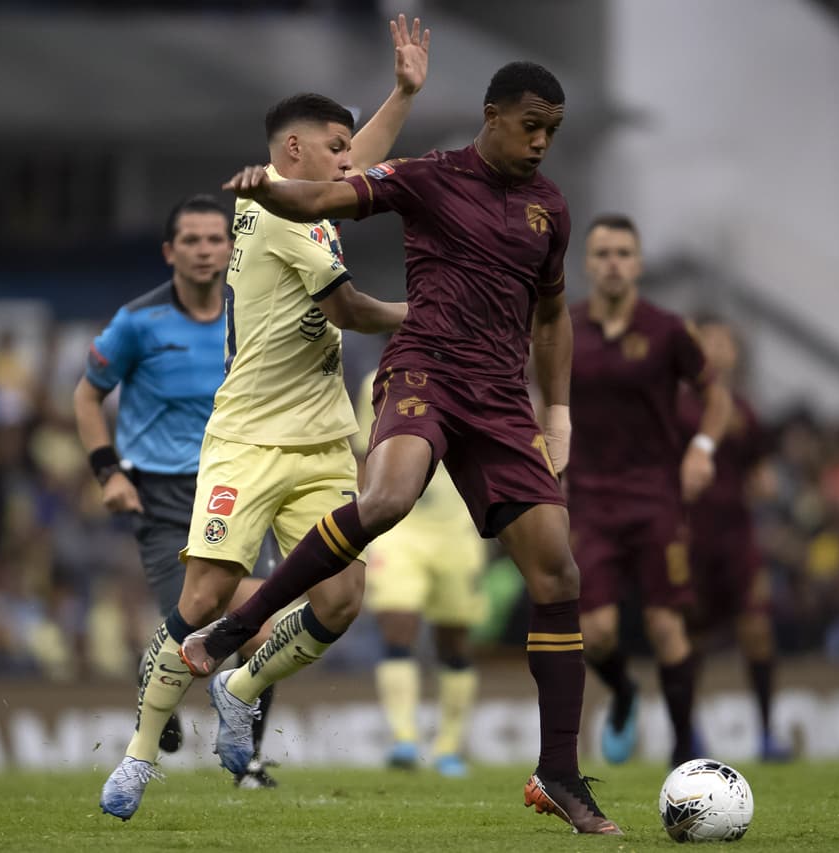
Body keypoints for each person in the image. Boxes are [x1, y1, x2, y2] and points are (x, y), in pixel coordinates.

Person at [182, 60, 623, 836]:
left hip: (500, 397)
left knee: (558, 572)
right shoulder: (428, 177)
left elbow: (552, 317)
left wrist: (557, 409)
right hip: (426, 369)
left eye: (552, 131)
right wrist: (267, 191)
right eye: (530, 127)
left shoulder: (549, 207)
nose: (541, 143)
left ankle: (557, 771)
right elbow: (324, 197)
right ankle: (235, 628)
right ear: (492, 116)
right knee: (387, 497)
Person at [97, 13, 427, 820]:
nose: (349, 163)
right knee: (207, 594)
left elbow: (362, 162)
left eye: (348, 151)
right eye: (335, 150)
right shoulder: (278, 215)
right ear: (294, 152)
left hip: (322, 442)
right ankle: (139, 756)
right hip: (247, 439)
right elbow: (350, 310)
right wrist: (431, 315)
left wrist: (403, 94)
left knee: (341, 599)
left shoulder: (305, 199)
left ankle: (242, 687)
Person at [74, 194, 285, 790]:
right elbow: (86, 396)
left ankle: (248, 760)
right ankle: (158, 689)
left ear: (231, 248)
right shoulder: (138, 322)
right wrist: (108, 472)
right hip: (164, 497)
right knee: (198, 627)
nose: (204, 250)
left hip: (239, 487)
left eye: (215, 239)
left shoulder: (253, 312)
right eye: (191, 240)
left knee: (261, 627)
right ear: (170, 251)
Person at [565, 214, 732, 770]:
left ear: (637, 264)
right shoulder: (564, 328)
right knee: (596, 634)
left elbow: (716, 396)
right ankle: (625, 692)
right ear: (588, 264)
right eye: (603, 254)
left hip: (655, 497)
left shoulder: (668, 330)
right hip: (589, 501)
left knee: (665, 624)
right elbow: (542, 400)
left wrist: (701, 448)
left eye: (623, 253)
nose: (613, 263)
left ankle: (685, 750)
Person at [352, 368, 486, 777]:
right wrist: (363, 519)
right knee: (397, 623)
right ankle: (404, 740)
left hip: (457, 527)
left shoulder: (474, 375)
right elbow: (363, 454)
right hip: (399, 529)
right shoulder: (378, 381)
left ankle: (448, 747)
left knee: (454, 640)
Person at [676, 316, 791, 762]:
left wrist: (766, 482)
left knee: (757, 629)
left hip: (737, 538)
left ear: (735, 353)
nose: (715, 348)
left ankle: (766, 733)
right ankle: (687, 733)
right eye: (707, 340)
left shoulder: (745, 411)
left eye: (723, 342)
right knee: (692, 637)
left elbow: (760, 469)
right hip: (690, 537)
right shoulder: (677, 407)